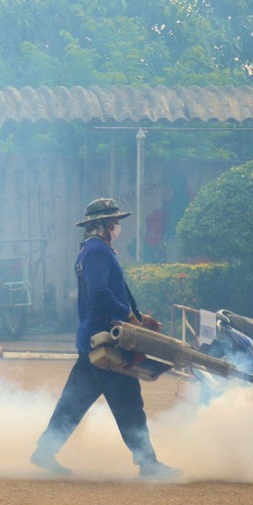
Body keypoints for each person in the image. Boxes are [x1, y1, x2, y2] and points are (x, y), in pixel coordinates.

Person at [31, 197, 181, 480]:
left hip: (91, 338)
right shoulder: (98, 252)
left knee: (73, 403)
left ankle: (44, 451)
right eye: (114, 222)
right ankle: (148, 463)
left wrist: (136, 315)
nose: (118, 226)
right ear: (104, 225)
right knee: (129, 402)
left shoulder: (93, 250)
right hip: (106, 340)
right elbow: (100, 294)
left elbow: (113, 291)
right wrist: (128, 317)